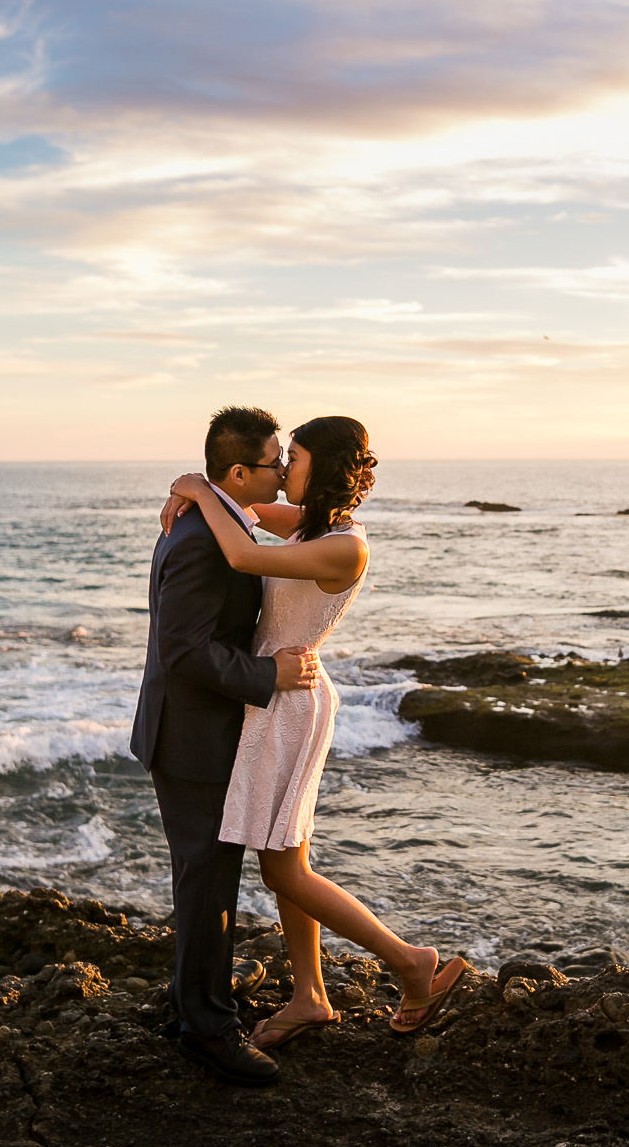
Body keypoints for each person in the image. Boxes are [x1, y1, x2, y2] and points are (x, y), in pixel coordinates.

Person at [163, 415, 469, 1051]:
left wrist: (196, 484)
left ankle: (411, 964)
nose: (282, 471)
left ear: (320, 469)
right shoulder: (308, 525)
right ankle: (311, 995)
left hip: (290, 700)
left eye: (292, 459)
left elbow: (242, 552)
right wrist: (195, 490)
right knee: (286, 856)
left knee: (284, 869)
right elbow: (239, 510)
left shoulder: (345, 546)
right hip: (271, 691)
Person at [130, 406, 320, 1087]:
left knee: (207, 875)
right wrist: (270, 674)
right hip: (190, 734)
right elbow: (184, 652)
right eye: (274, 461)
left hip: (201, 728)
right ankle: (206, 1029)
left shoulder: (221, 518)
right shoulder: (203, 540)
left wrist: (195, 487)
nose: (281, 468)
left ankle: (199, 1002)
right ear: (239, 472)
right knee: (205, 877)